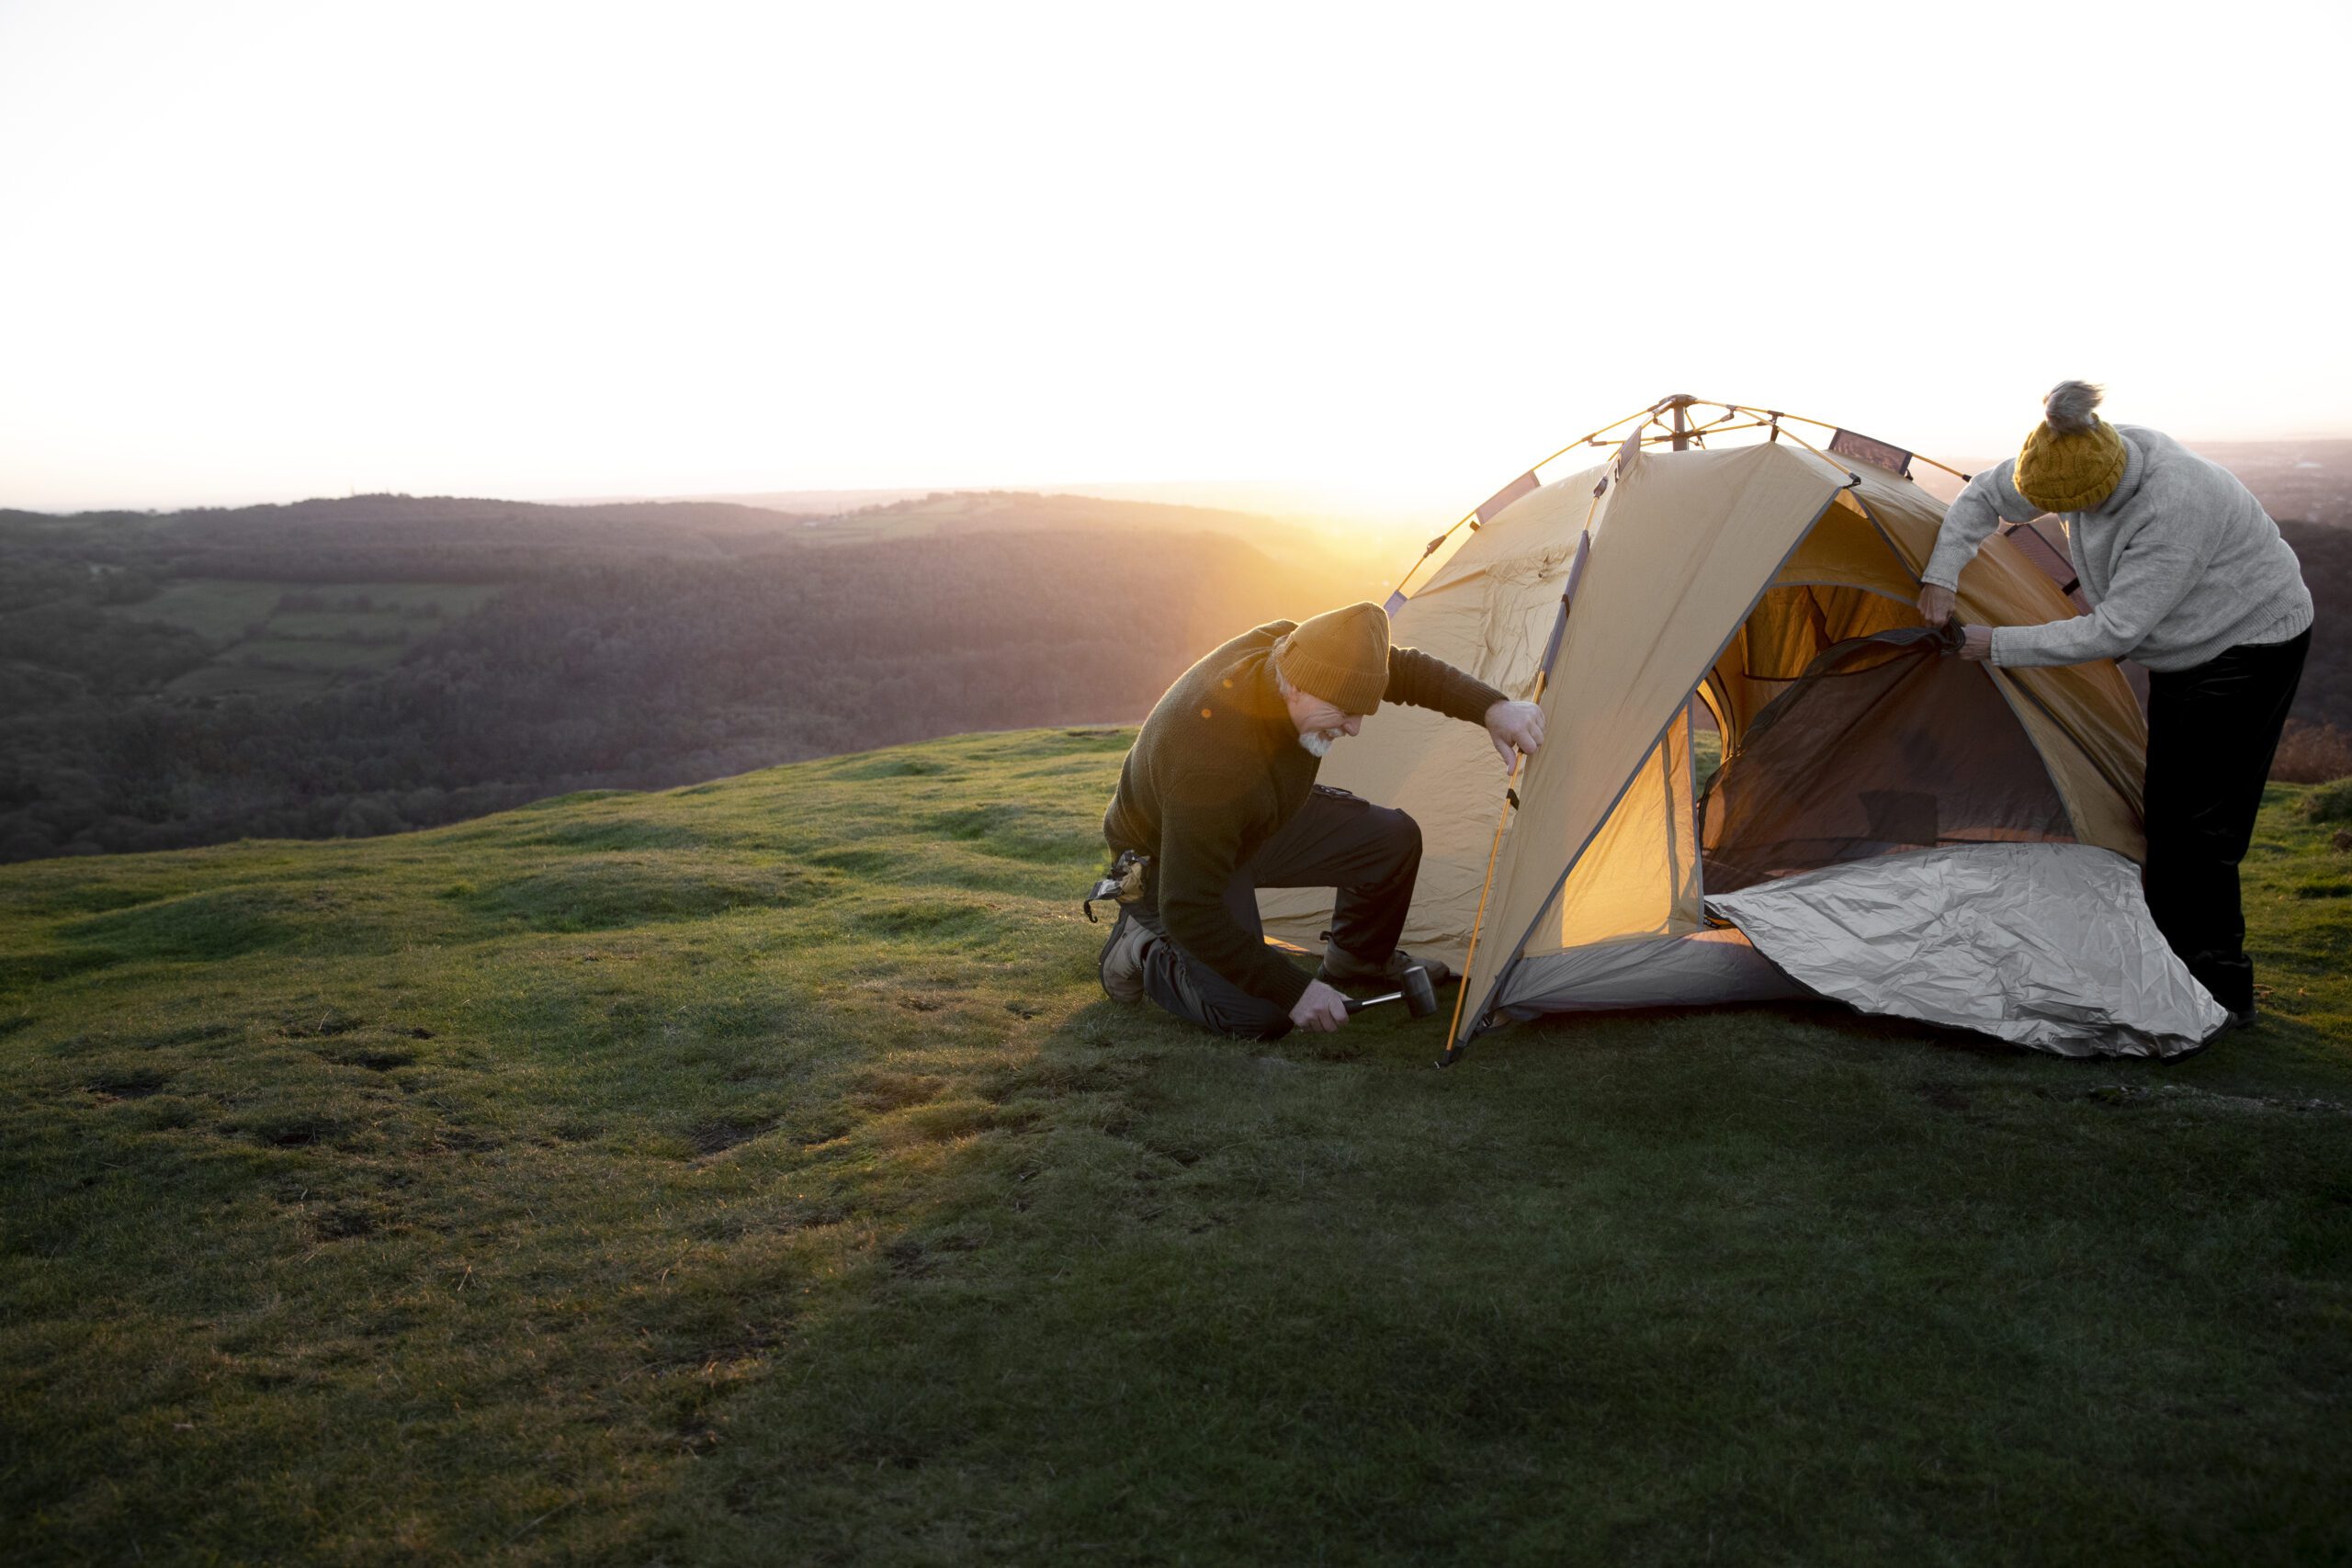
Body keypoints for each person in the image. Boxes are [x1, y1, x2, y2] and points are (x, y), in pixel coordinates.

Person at [1919, 380, 2313, 1031]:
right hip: (2183, 644)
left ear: (2103, 490)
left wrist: (1997, 644)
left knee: (2200, 824)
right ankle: (2164, 960)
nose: (2061, 518)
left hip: (2250, 644)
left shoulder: (2175, 505)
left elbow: (2114, 632)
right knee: (2167, 807)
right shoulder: (2066, 452)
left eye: (2070, 511)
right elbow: (1984, 496)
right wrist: (1941, 574)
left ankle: (2220, 989)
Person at [1095, 601, 1544, 1039]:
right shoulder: (1210, 760)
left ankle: (1357, 959)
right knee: (1262, 1015)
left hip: (1254, 817)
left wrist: (1492, 708)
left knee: (1392, 839)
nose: (1354, 728)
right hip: (1170, 856)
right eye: (1344, 712)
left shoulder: (1303, 650)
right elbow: (1189, 907)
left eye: (1361, 712)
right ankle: (1142, 945)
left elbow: (1402, 669)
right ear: (1295, 687)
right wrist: (1295, 990)